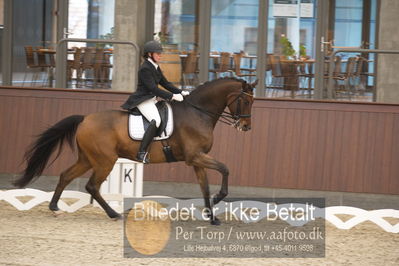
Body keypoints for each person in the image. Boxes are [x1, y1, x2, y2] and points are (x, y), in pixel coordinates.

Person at [121, 40, 189, 163]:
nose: (160, 55)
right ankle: (141, 152)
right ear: (149, 54)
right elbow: (153, 88)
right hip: (143, 100)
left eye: (160, 53)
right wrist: (172, 96)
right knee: (156, 120)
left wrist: (180, 92)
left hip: (152, 99)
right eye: (157, 53)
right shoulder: (145, 69)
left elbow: (165, 83)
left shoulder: (155, 67)